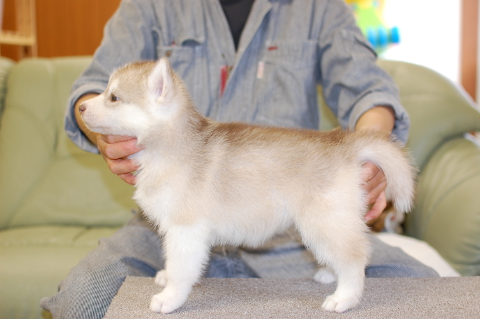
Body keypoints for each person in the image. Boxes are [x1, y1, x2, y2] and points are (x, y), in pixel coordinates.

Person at [41, 0, 438, 318]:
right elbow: (90, 91)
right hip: (158, 235)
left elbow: (367, 89)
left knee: (422, 294)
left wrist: (371, 157)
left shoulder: (319, 7)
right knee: (84, 299)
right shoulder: (150, 5)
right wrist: (101, 131)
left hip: (288, 231)